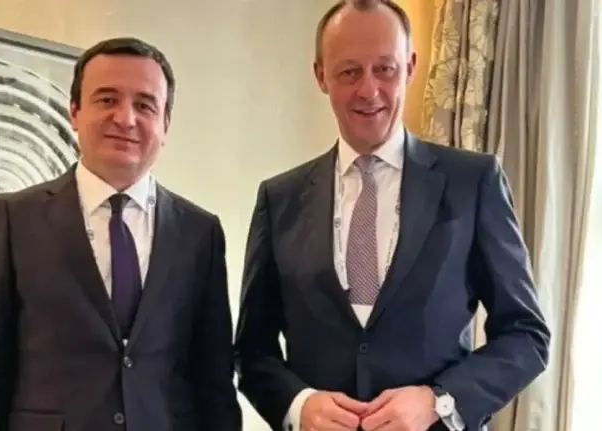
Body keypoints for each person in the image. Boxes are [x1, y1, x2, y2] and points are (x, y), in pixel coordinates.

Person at [233, 1, 551, 430]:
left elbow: (526, 335)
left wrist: (440, 402)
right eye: (349, 72)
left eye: (385, 69)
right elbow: (252, 350)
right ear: (321, 76)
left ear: (411, 67)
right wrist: (299, 405)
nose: (369, 90)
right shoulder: (279, 199)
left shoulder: (473, 183)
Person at [0, 37, 242, 431]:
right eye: (107, 99)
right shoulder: (14, 219)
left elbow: (215, 384)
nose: (125, 118)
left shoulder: (200, 232)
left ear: (165, 124)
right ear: (74, 111)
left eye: (145, 105)